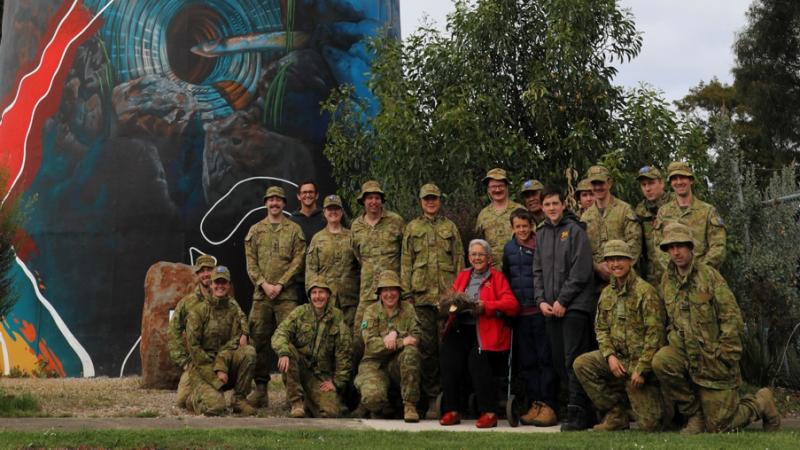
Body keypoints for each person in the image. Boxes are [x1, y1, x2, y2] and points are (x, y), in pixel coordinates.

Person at [652, 222, 780, 434]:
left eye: (680, 246)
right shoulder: (667, 280)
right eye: (671, 247)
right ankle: (695, 415)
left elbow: (731, 317)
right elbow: (669, 320)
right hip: (685, 354)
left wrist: (726, 354)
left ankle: (761, 402)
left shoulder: (709, 276)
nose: (676, 252)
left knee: (720, 425)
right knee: (662, 361)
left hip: (713, 357)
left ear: (690, 247)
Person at [573, 240, 667, 431]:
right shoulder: (607, 293)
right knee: (582, 364)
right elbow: (601, 329)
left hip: (639, 365)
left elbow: (655, 335)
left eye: (620, 259)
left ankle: (654, 403)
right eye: (611, 260)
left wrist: (642, 369)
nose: (615, 264)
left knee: (651, 425)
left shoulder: (645, 292)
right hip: (618, 361)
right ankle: (616, 414)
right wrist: (610, 356)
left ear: (630, 260)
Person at [532, 187, 596, 431]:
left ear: (563, 205)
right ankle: (579, 409)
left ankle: (579, 412)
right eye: (547, 204)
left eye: (555, 204)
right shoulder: (541, 234)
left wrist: (563, 301)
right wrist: (541, 301)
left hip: (574, 307)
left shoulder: (576, 230)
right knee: (559, 361)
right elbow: (537, 271)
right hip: (550, 309)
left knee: (574, 360)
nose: (551, 208)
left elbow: (581, 272)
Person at [439, 239, 520, 429]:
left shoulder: (497, 278)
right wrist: (448, 305)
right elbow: (452, 296)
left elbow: (513, 305)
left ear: (489, 258)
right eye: (473, 254)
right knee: (447, 353)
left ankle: (489, 412)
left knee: (477, 358)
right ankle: (452, 409)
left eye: (481, 254)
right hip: (462, 327)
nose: (477, 258)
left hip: (486, 331)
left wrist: (487, 306)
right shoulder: (463, 276)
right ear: (469, 257)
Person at [400, 183, 464, 417]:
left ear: (439, 200)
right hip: (422, 298)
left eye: (434, 198)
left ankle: (452, 399)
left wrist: (459, 295)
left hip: (447, 300)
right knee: (426, 351)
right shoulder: (412, 227)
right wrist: (406, 295)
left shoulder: (450, 227)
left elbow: (459, 260)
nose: (431, 202)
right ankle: (432, 400)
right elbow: (406, 262)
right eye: (427, 198)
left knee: (448, 350)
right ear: (420, 201)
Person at [244, 186, 306, 408]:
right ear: (265, 203)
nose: (274, 204)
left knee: (290, 343)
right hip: (261, 296)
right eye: (271, 200)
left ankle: (293, 396)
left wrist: (280, 284)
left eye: (278, 200)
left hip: (286, 296)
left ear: (284, 204)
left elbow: (299, 260)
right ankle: (260, 390)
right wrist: (264, 284)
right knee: (257, 342)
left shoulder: (294, 230)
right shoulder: (255, 230)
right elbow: (251, 263)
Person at [501, 209, 557, 427]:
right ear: (512, 227)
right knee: (528, 362)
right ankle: (535, 404)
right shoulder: (509, 248)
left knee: (545, 359)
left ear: (532, 226)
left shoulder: (539, 244)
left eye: (525, 226)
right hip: (520, 314)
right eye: (518, 226)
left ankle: (548, 404)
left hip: (540, 311)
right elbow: (507, 277)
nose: (522, 230)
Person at [271, 278, 352, 418]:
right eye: (314, 292)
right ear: (309, 296)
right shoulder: (300, 312)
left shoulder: (337, 317)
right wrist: (283, 351)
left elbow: (344, 351)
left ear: (328, 295)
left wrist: (337, 382)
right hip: (299, 369)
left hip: (320, 375)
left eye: (321, 292)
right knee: (288, 352)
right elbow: (280, 333)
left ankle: (309, 401)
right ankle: (297, 402)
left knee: (332, 412)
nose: (318, 296)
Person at [184, 266, 256, 416]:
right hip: (204, 368)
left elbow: (239, 336)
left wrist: (244, 333)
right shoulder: (198, 311)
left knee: (249, 352)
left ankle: (239, 400)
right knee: (216, 408)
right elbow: (195, 349)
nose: (220, 286)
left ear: (229, 285)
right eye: (217, 282)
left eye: (224, 282)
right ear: (211, 284)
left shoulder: (233, 308)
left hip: (225, 365)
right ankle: (192, 398)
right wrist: (215, 376)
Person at [354, 270, 422, 422]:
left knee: (411, 352)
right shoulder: (370, 311)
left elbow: (416, 337)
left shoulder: (408, 309)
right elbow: (371, 345)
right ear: (379, 293)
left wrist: (396, 334)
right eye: (385, 290)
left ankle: (410, 406)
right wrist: (399, 341)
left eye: (393, 289)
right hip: (374, 365)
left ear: (399, 291)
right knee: (373, 398)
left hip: (397, 365)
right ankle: (380, 406)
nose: (389, 294)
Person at [351, 180, 405, 359]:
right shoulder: (356, 226)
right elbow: (358, 256)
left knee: (396, 332)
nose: (373, 201)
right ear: (363, 201)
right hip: (367, 292)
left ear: (382, 200)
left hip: (392, 291)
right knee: (360, 336)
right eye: (369, 198)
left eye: (376, 197)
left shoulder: (396, 221)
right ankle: (358, 380)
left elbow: (405, 255)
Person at [653, 161, 726, 271]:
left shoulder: (708, 211)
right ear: (671, 183)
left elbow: (718, 246)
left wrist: (699, 271)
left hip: (703, 278)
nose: (679, 182)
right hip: (674, 277)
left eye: (682, 177)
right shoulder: (663, 212)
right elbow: (659, 246)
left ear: (691, 180)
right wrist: (675, 270)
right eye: (674, 179)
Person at [168, 254, 216, 408]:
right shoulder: (187, 303)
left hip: (220, 359)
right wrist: (183, 361)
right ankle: (198, 398)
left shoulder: (224, 298)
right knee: (182, 401)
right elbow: (173, 331)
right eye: (202, 271)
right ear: (197, 274)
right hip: (196, 362)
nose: (206, 274)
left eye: (209, 269)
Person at [306, 194, 360, 329]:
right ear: (324, 212)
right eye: (330, 209)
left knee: (350, 338)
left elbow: (362, 266)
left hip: (350, 300)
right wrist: (314, 297)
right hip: (326, 300)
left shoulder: (352, 236)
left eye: (336, 208)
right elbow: (311, 270)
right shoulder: (317, 239)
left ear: (341, 211)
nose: (333, 212)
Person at [581, 165, 641, 286]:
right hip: (596, 284)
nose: (598, 187)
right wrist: (597, 267)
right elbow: (582, 251)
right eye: (594, 183)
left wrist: (617, 269)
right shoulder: (585, 218)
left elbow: (635, 243)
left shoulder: (625, 210)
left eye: (601, 183)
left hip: (625, 282)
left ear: (609, 183)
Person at [475, 168, 525, 271]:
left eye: (500, 186)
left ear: (507, 187)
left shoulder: (520, 210)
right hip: (492, 275)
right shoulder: (483, 215)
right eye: (493, 186)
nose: (497, 190)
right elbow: (479, 245)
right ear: (488, 189)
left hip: (518, 272)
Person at [634, 166, 673, 285]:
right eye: (643, 185)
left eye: (651, 183)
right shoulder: (640, 210)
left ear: (661, 183)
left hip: (676, 271)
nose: (647, 188)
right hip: (652, 278)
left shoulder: (675, 203)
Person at [290, 180, 327, 304]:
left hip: (324, 279)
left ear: (316, 195)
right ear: (298, 196)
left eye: (311, 192)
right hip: (299, 282)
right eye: (304, 192)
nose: (308, 195)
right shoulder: (292, 221)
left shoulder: (326, 217)